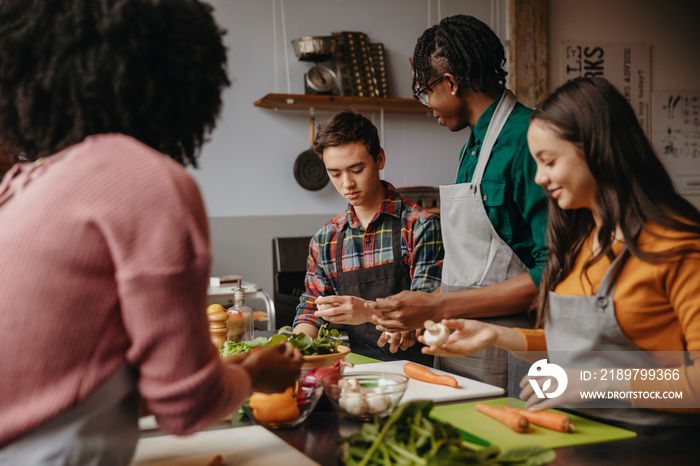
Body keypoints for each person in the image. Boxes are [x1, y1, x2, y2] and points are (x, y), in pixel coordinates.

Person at [0, 1, 302, 463]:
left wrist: (237, 366)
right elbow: (184, 409)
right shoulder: (142, 179)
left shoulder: (25, 184)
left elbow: (73, 385)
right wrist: (255, 373)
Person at [420, 77, 700, 427]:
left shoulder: (677, 247)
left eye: (549, 162)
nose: (539, 178)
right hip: (577, 435)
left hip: (654, 448)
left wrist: (597, 383)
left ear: (596, 151)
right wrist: (498, 336)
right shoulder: (581, 243)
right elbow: (583, 351)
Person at [369, 14, 548, 392]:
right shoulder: (473, 147)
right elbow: (476, 271)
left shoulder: (530, 140)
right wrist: (423, 309)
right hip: (458, 340)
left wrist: (438, 307)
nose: (426, 104)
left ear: (450, 83)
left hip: (515, 347)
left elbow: (554, 272)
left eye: (425, 91)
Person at [293, 111, 443, 364]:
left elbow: (426, 309)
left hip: (421, 368)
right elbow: (311, 311)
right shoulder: (324, 240)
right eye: (335, 173)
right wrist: (297, 350)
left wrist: (367, 312)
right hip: (358, 369)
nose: (347, 183)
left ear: (380, 159)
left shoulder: (420, 226)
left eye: (357, 169)